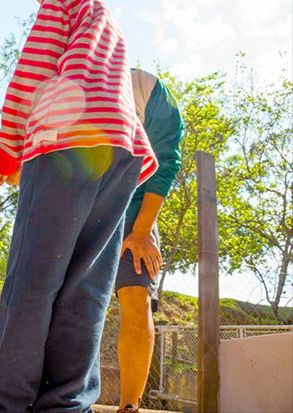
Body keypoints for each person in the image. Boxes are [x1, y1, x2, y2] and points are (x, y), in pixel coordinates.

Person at [0, 0, 158, 411]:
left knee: (33, 281)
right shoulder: (104, 17)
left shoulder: (61, 4)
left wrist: (6, 151)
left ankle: (5, 402)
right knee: (85, 289)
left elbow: (32, 73)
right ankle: (66, 403)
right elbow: (113, 93)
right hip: (120, 152)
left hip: (65, 141)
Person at [115, 68, 183, 413]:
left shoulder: (148, 89)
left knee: (137, 297)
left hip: (136, 211)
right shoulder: (68, 81)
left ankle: (129, 406)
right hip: (83, 205)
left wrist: (141, 231)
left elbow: (167, 162)